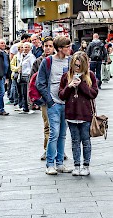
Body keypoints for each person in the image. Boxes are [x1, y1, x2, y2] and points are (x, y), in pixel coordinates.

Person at [36, 35, 73, 175]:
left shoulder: (70, 61)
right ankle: (49, 164)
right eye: (66, 47)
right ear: (59, 49)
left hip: (67, 103)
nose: (69, 49)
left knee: (63, 134)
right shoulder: (48, 61)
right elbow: (40, 83)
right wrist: (49, 101)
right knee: (54, 134)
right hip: (54, 103)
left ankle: (60, 163)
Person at [59, 51, 98, 176]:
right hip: (71, 114)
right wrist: (69, 86)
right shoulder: (66, 76)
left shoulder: (90, 75)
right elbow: (61, 95)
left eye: (79, 65)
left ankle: (86, 166)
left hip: (86, 114)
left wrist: (81, 85)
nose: (77, 68)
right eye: (75, 65)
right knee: (75, 141)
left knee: (86, 141)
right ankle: (76, 165)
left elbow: (93, 93)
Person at [30, 36, 54, 160]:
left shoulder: (58, 60)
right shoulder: (38, 61)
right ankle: (47, 149)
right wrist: (35, 100)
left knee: (59, 126)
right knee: (47, 125)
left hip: (58, 97)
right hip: (45, 98)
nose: (48, 48)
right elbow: (32, 82)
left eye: (50, 46)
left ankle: (57, 149)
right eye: (46, 46)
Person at [18, 42, 36, 114]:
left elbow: (33, 66)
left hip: (28, 75)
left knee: (27, 92)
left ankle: (29, 107)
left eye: (27, 47)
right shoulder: (21, 56)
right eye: (24, 47)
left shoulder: (31, 56)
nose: (25, 48)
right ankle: (24, 107)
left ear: (30, 48)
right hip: (22, 75)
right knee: (23, 92)